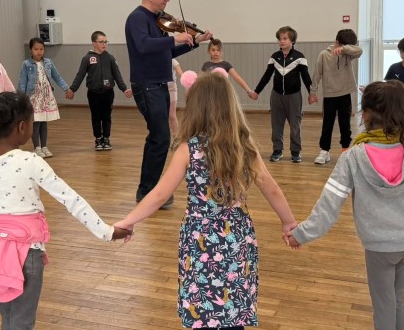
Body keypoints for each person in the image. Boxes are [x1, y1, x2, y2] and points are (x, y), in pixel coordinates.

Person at [286, 80, 404, 330]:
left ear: (365, 114)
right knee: (397, 298)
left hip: (379, 249)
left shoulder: (352, 157)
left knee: (384, 305)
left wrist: (300, 234)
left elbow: (328, 209)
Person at [114, 72, 297, 329]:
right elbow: (272, 189)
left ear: (196, 108)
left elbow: (159, 194)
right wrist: (288, 222)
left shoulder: (188, 149)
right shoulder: (244, 146)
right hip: (237, 234)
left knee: (203, 305)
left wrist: (129, 220)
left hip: (200, 238)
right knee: (233, 302)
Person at [0, 92, 130, 330]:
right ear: (22, 127)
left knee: (9, 318)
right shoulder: (30, 162)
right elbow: (70, 199)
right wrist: (106, 232)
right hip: (27, 253)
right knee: (21, 322)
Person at [125, 0, 213, 205]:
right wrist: (175, 39)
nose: (167, 0)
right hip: (147, 85)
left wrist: (194, 41)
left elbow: (168, 52)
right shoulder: (137, 18)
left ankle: (149, 190)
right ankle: (147, 191)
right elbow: (143, 45)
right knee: (160, 137)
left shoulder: (157, 20)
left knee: (159, 137)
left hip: (160, 83)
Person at [252, 26, 312, 163]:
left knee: (295, 125)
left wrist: (311, 93)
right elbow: (266, 76)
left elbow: (306, 78)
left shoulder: (300, 57)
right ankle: (277, 150)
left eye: (285, 38)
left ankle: (295, 151)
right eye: (279, 39)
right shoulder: (274, 57)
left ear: (292, 41)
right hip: (276, 96)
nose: (282, 41)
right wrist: (257, 91)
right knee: (276, 124)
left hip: (294, 96)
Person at [66, 31, 132, 151]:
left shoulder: (110, 58)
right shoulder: (87, 58)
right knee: (96, 117)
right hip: (93, 94)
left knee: (107, 116)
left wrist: (124, 88)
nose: (104, 44)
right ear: (94, 43)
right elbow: (80, 75)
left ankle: (106, 138)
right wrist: (72, 89)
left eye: (106, 42)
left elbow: (117, 75)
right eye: (101, 42)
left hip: (108, 93)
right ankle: (98, 139)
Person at [308, 29, 363, 164]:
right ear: (336, 41)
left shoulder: (348, 53)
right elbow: (317, 74)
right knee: (327, 124)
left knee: (345, 125)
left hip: (345, 94)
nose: (344, 48)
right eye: (342, 45)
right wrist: (313, 92)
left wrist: (344, 48)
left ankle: (345, 150)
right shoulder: (324, 55)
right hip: (329, 96)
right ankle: (324, 151)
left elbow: (359, 50)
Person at [17, 38, 71, 158]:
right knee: (36, 122)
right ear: (30, 50)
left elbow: (57, 77)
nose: (39, 52)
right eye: (36, 49)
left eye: (41, 49)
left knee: (44, 122)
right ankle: (37, 147)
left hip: (46, 97)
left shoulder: (48, 63)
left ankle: (44, 146)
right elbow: (22, 82)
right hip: (33, 97)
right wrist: (21, 98)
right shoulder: (26, 64)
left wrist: (66, 89)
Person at [168, 59, 183, 135]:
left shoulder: (173, 61)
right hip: (159, 89)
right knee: (160, 116)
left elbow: (181, 74)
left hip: (171, 89)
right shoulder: (156, 59)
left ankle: (177, 137)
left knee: (172, 115)